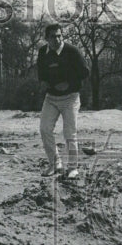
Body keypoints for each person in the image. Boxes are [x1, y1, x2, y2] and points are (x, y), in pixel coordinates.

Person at [36, 23, 90, 179]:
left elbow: (85, 71)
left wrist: (69, 82)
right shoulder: (42, 52)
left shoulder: (72, 51)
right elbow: (41, 71)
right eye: (53, 36)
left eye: (59, 35)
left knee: (69, 133)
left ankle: (73, 167)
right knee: (45, 129)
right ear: (46, 38)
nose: (57, 39)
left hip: (70, 97)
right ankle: (55, 164)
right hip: (51, 98)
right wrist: (43, 82)